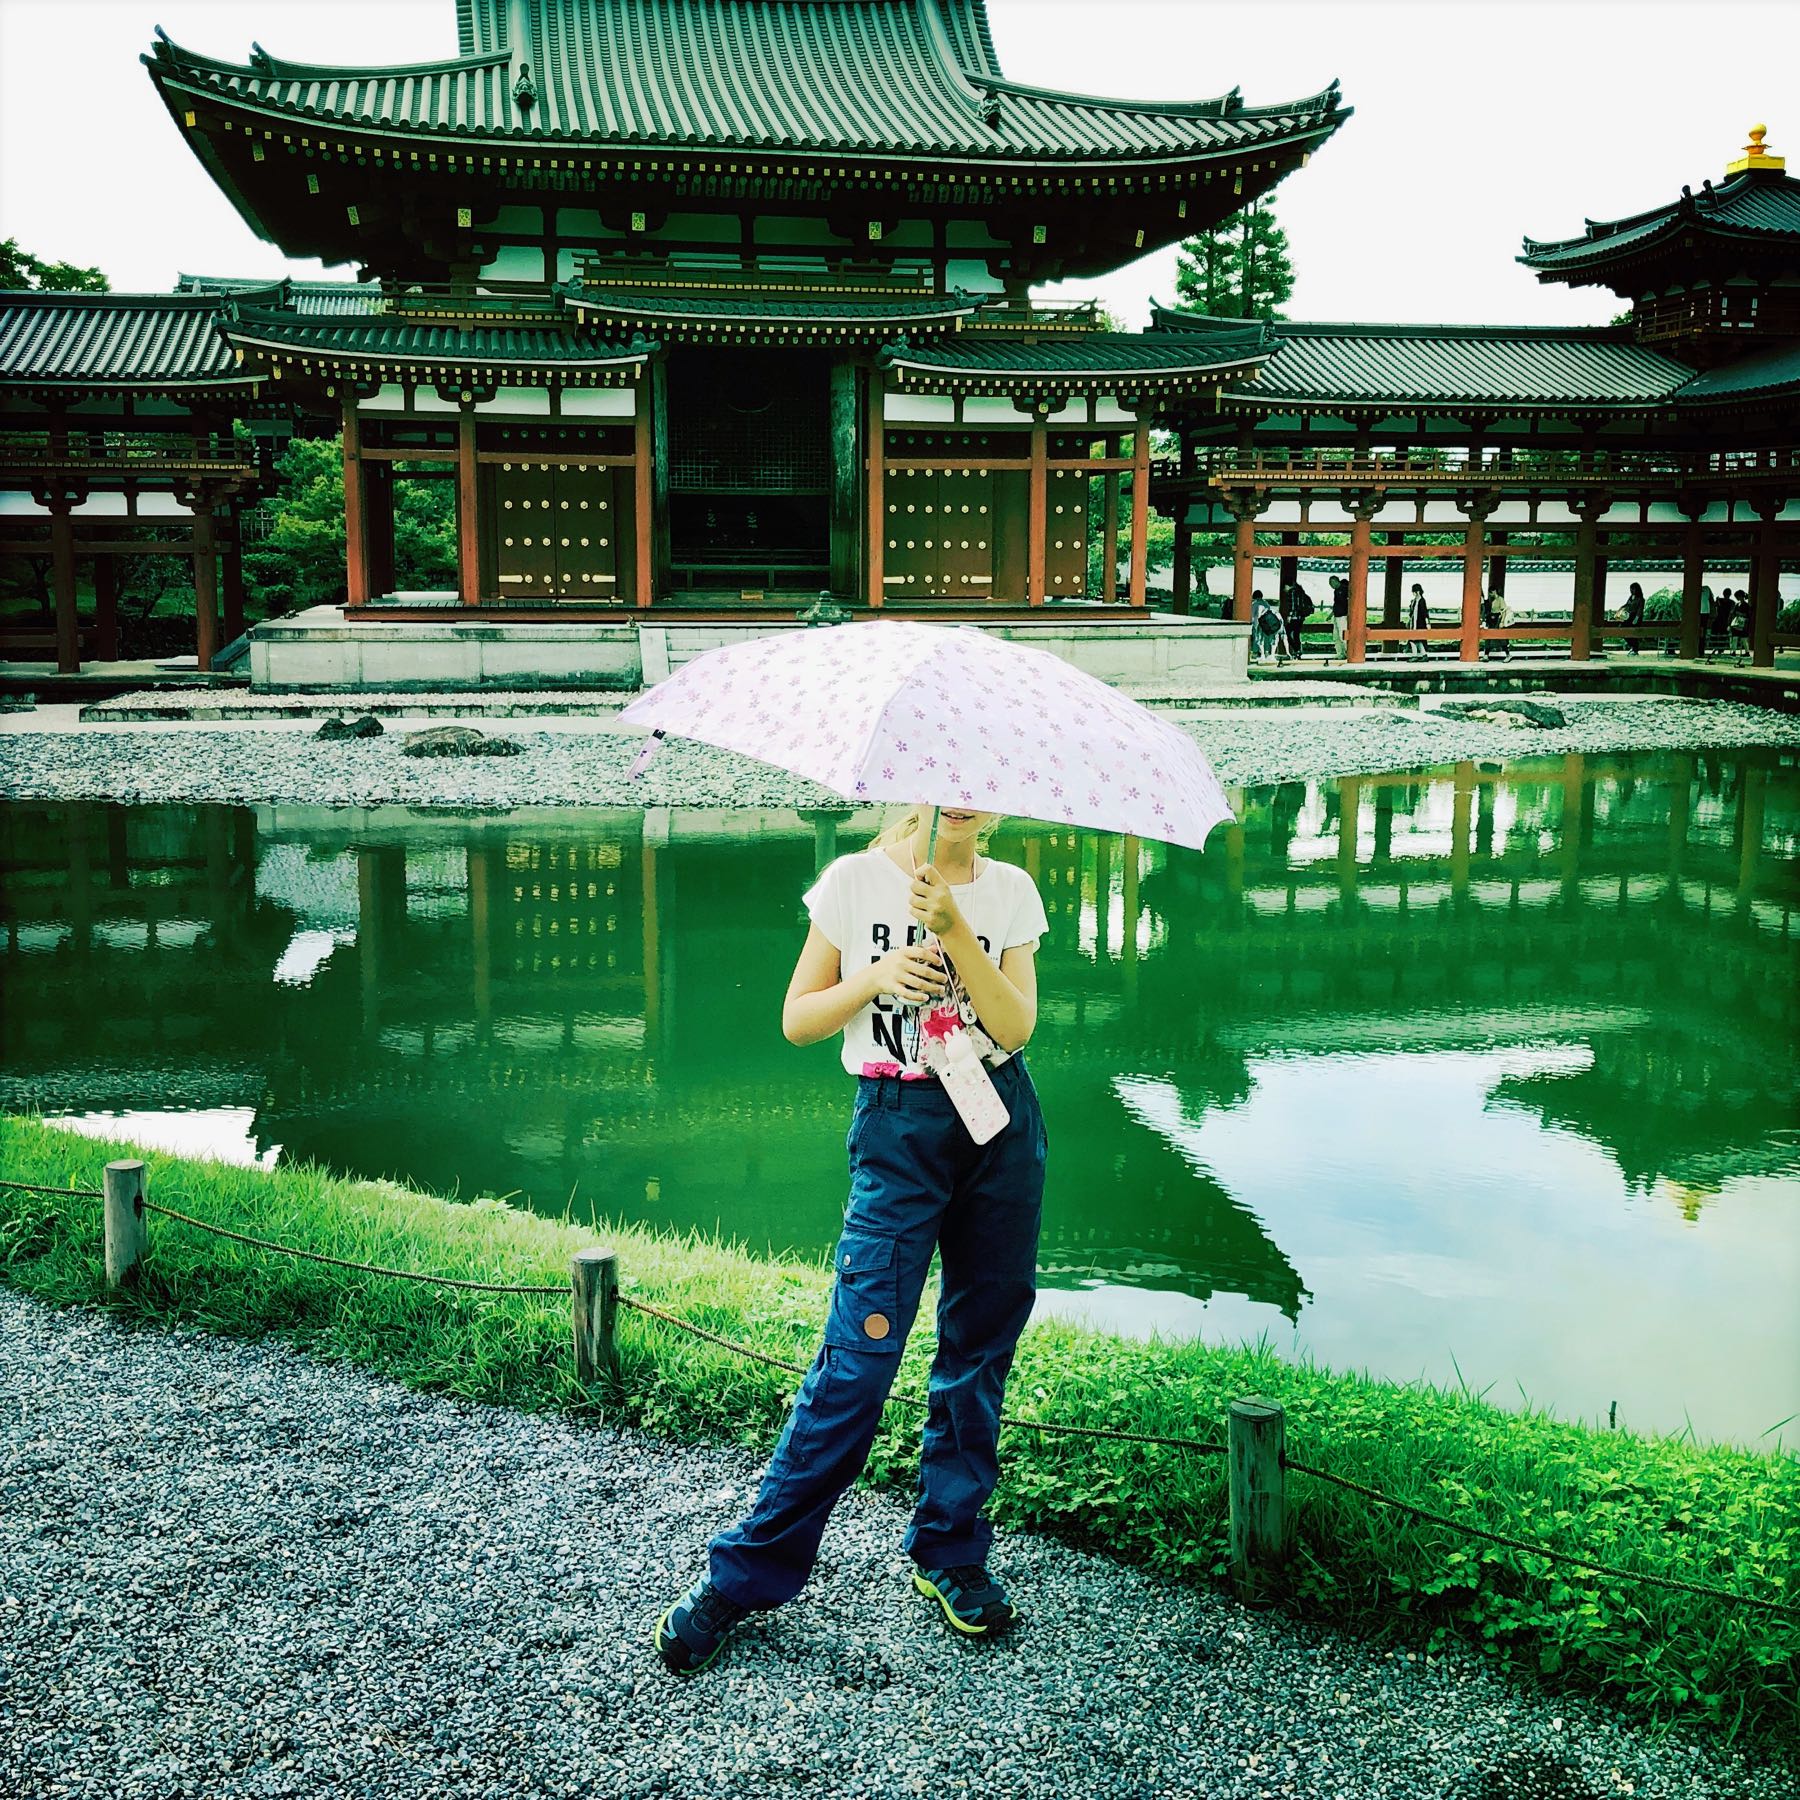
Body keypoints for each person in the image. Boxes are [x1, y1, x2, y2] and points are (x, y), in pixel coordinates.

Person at [655, 804, 1051, 1675]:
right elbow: (799, 1017)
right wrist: (877, 977)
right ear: (916, 784)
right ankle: (747, 1571)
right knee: (859, 1353)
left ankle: (950, 1549)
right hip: (898, 1122)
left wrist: (959, 935)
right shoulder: (854, 881)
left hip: (999, 1121)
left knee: (979, 1343)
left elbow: (1015, 1028)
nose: (968, 796)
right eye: (950, 776)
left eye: (986, 778)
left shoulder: (1012, 890)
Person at [1484, 587, 1511, 660]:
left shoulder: (1500, 599)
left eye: (1491, 592)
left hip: (1498, 618)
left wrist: (1502, 621)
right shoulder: (1492, 600)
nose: (1490, 594)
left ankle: (1508, 654)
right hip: (1492, 619)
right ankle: (1486, 655)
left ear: (1494, 591)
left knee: (1500, 636)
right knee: (1488, 636)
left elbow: (1504, 611)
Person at [1621, 580, 1646, 655]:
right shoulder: (1631, 597)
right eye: (1631, 589)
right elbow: (1627, 605)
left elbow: (1640, 610)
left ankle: (1635, 649)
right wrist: (1621, 609)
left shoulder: (1641, 599)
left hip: (1636, 618)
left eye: (1633, 589)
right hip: (1629, 616)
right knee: (1622, 630)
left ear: (1637, 589)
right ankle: (1633, 646)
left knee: (1633, 633)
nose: (1631, 590)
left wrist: (1636, 618)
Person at [1407, 582, 1431, 658]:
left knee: (1413, 639)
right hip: (1413, 623)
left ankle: (1414, 655)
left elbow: (1425, 613)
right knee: (1417, 640)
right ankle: (1424, 655)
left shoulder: (1422, 601)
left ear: (1418, 592)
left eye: (1414, 592)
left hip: (1420, 623)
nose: (1413, 593)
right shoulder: (1414, 601)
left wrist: (1428, 624)